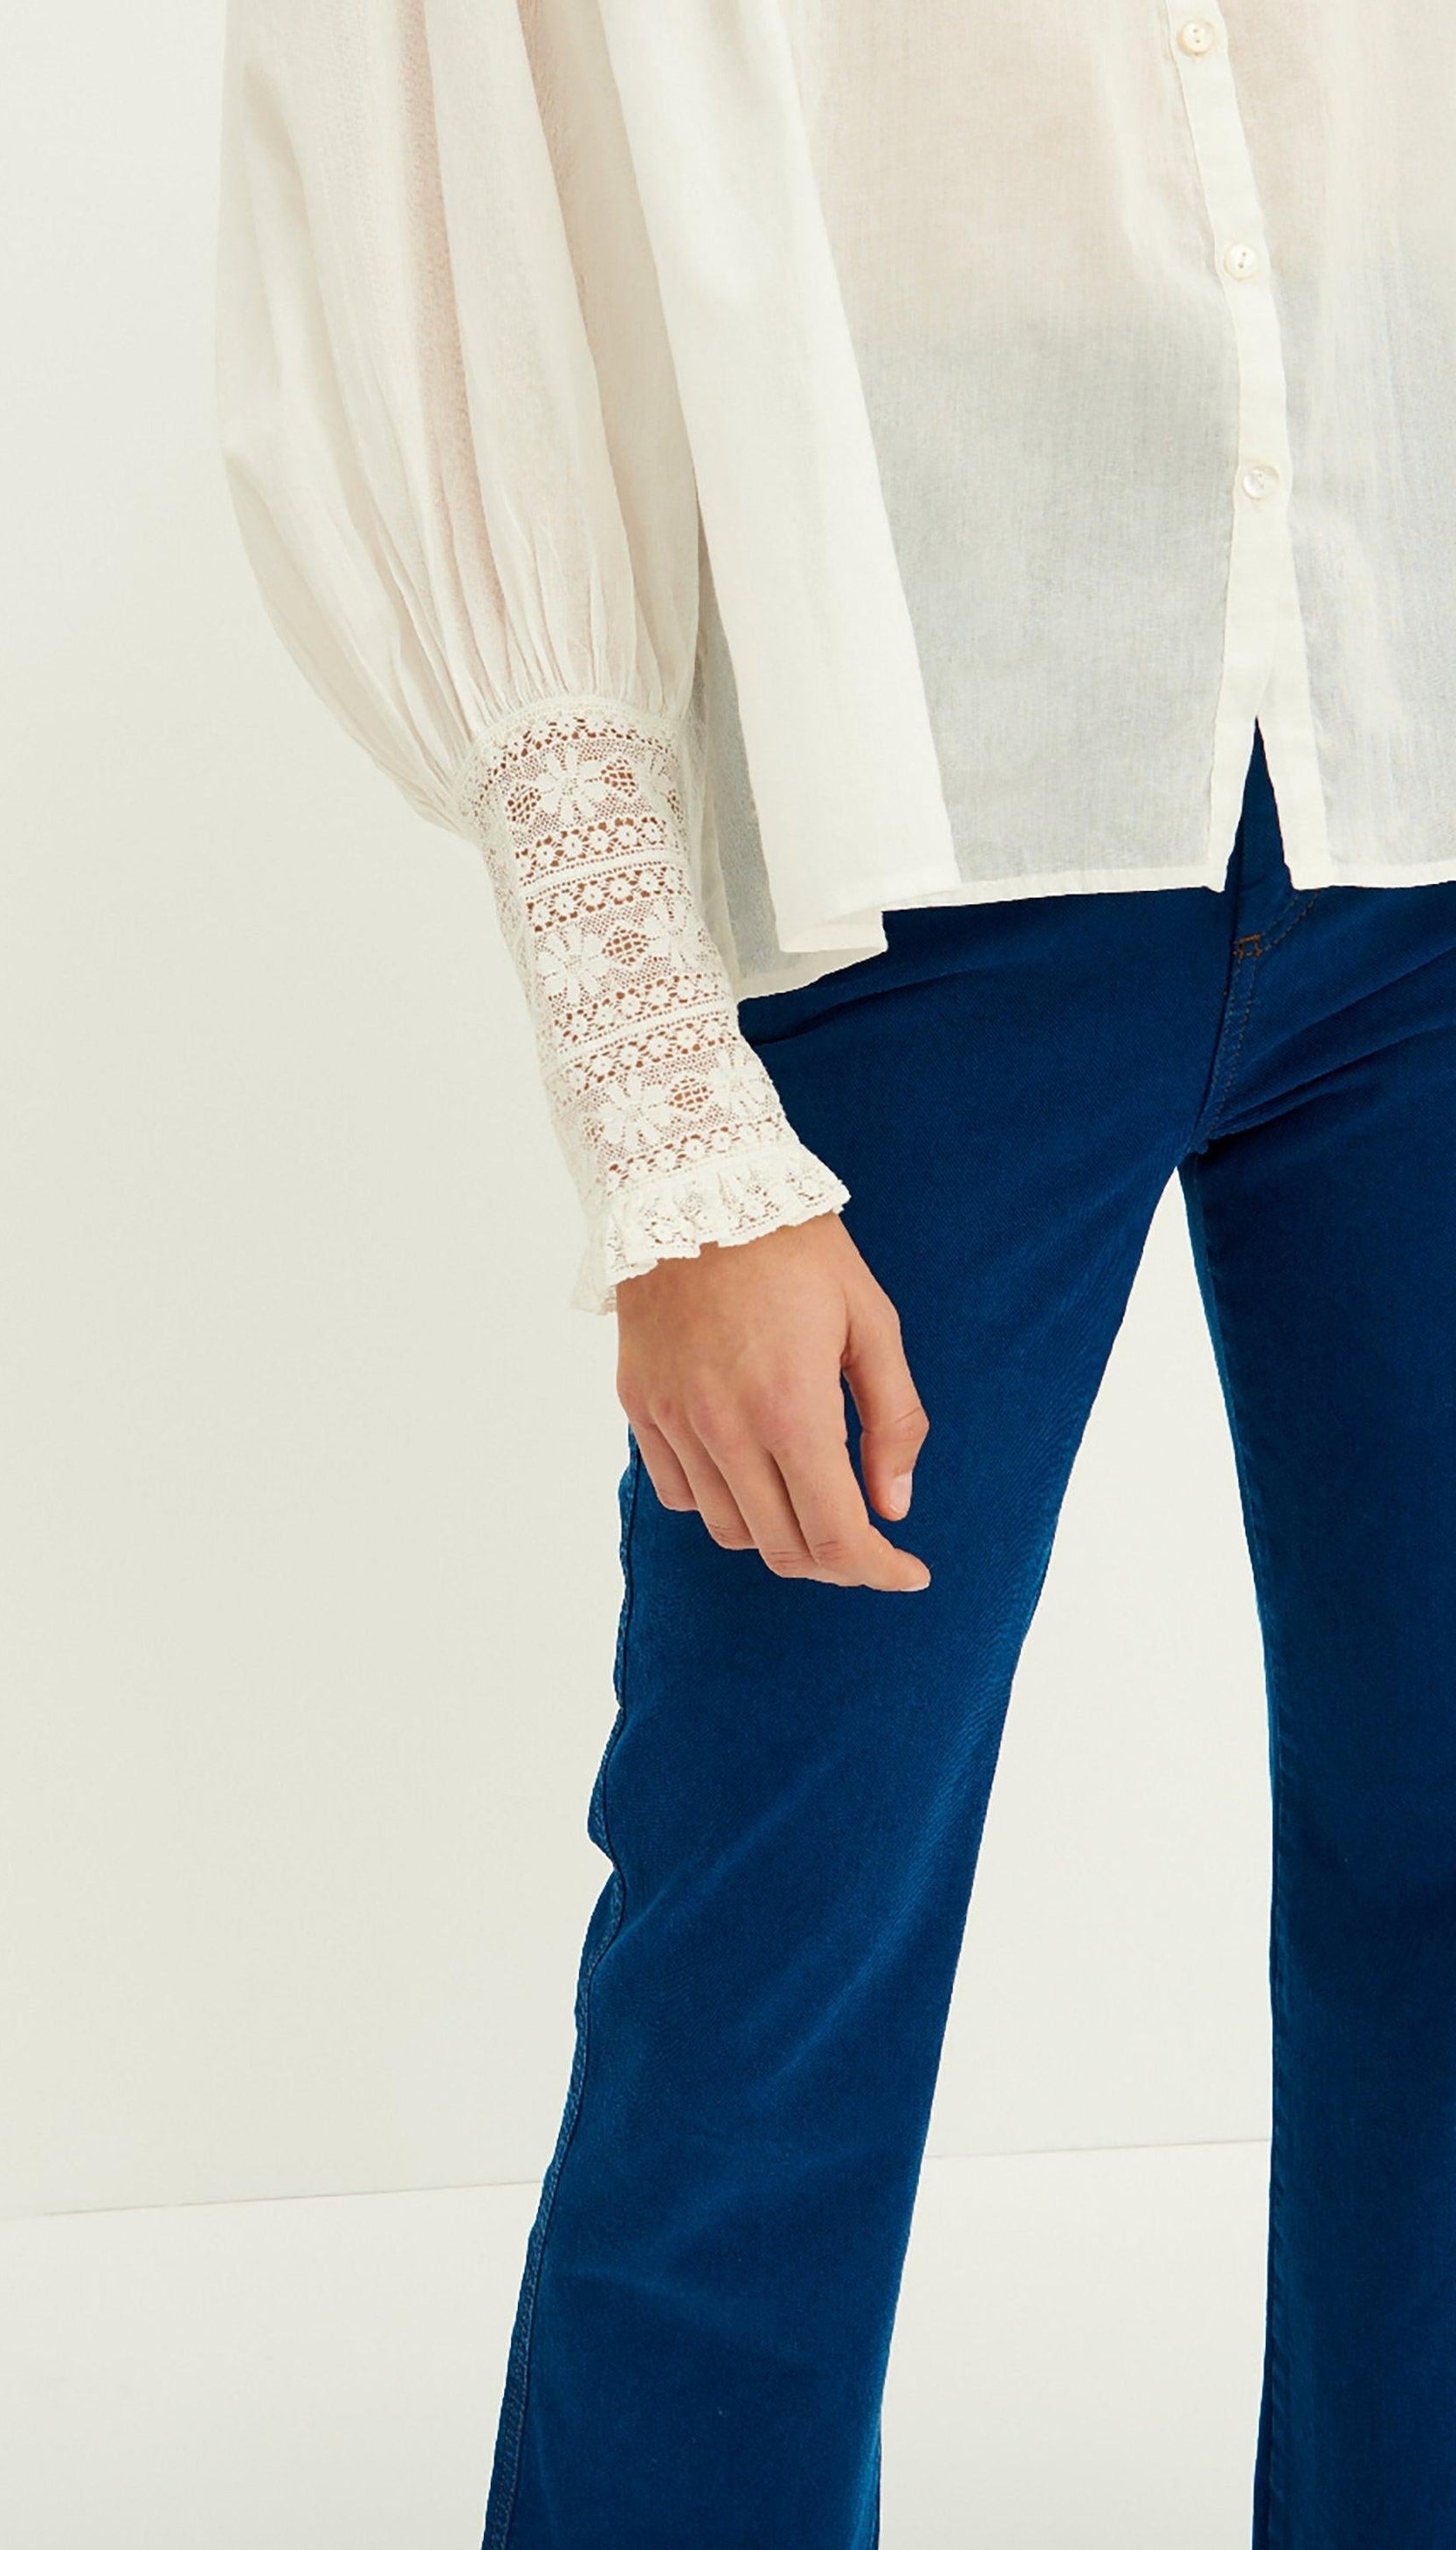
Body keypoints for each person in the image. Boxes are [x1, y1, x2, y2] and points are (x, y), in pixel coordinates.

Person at [216, 7, 1456, 2543]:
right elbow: (449, 210)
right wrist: (669, 1127)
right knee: (773, 1945)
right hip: (920, 864)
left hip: (1419, 793)